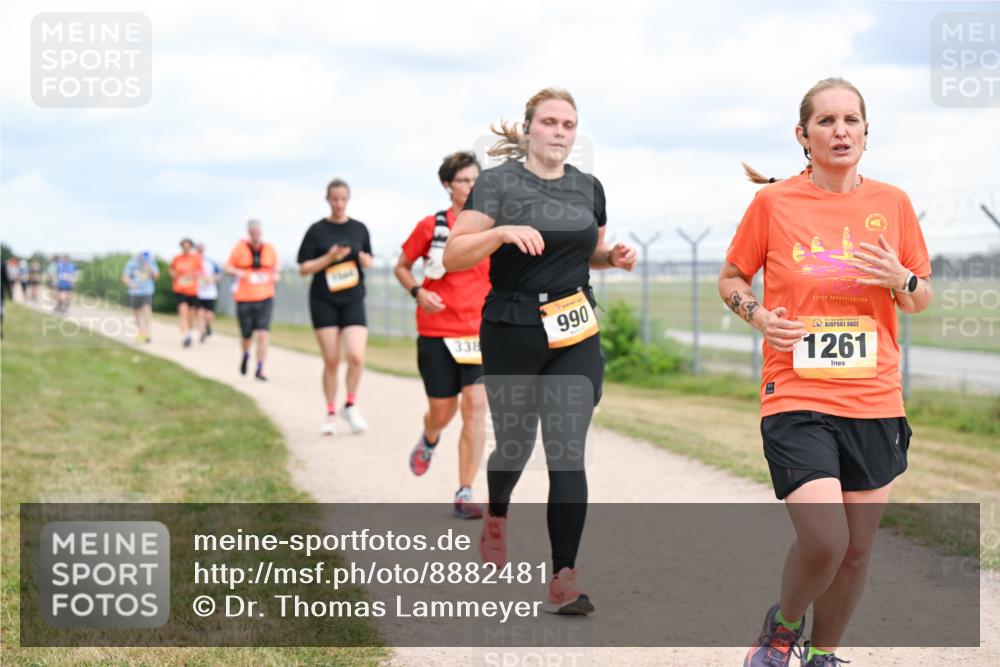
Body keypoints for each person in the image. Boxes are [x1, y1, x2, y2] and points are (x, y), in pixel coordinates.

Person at [721, 78, 932, 667]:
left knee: (857, 551)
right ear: (803, 135)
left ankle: (825, 655)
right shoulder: (773, 203)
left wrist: (902, 280)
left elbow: (919, 297)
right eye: (826, 121)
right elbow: (731, 279)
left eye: (851, 120)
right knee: (826, 540)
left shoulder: (892, 203)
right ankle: (783, 629)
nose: (841, 130)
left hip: (874, 398)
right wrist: (760, 315)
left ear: (866, 131)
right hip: (796, 393)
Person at [443, 88, 637, 615]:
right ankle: (498, 514)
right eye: (549, 122)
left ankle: (564, 577)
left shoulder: (587, 186)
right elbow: (454, 255)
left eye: (568, 124)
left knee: (567, 449)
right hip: (512, 326)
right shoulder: (498, 184)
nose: (559, 131)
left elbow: (588, 251)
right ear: (529, 129)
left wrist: (610, 257)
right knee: (514, 445)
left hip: (574, 328)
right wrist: (501, 232)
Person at [396, 151, 490, 519]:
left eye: (475, 180)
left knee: (476, 408)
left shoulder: (491, 227)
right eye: (464, 180)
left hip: (478, 333)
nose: (471, 187)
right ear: (447, 185)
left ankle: (465, 491)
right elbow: (402, 267)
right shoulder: (430, 227)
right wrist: (417, 291)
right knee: (442, 410)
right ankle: (430, 437)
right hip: (436, 331)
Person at [297, 178, 374, 435]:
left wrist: (365, 260)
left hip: (353, 298)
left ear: (348, 199)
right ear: (327, 200)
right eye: (334, 199)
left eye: (343, 199)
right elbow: (304, 268)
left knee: (355, 356)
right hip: (324, 299)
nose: (339, 204)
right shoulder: (316, 231)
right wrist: (330, 257)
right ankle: (330, 412)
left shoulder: (359, 229)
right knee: (331, 360)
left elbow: (369, 259)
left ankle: (350, 405)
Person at [226, 220, 280, 380]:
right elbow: (227, 268)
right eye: (253, 232)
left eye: (258, 232)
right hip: (244, 298)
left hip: (265, 296)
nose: (256, 235)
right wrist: (238, 272)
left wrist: (276, 275)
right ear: (249, 233)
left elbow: (276, 269)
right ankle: (245, 354)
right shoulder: (239, 249)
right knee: (246, 336)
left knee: (263, 333)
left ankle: (260, 368)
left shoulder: (269, 249)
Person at [121, 250, 159, 343]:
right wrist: (130, 283)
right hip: (134, 292)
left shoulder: (151, 263)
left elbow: (156, 276)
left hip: (147, 291)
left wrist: (149, 269)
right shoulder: (131, 263)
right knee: (136, 313)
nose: (143, 260)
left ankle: (147, 333)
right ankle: (140, 332)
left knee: (147, 310)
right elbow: (124, 277)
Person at [169, 238, 201, 347]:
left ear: (191, 247)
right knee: (183, 312)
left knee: (191, 316)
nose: (186, 248)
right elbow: (171, 269)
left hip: (192, 290)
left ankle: (189, 333)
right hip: (180, 289)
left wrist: (193, 276)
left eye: (188, 246)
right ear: (181, 247)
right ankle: (184, 336)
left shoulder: (196, 258)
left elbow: (200, 272)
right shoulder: (177, 258)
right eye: (184, 246)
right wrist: (174, 275)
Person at [195, 242, 221, 342]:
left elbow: (218, 275)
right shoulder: (193, 262)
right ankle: (202, 333)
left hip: (210, 293)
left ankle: (207, 326)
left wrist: (211, 279)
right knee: (200, 314)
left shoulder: (210, 262)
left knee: (209, 315)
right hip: (198, 292)